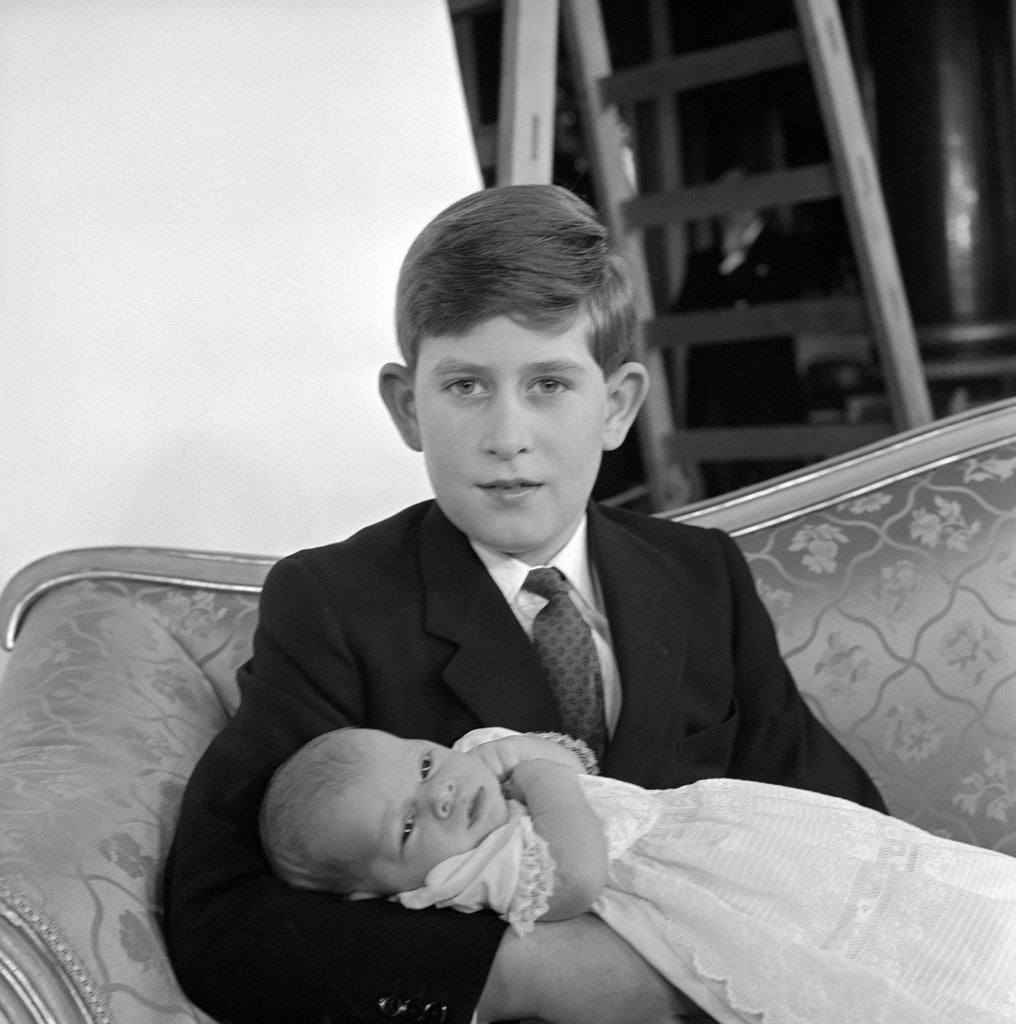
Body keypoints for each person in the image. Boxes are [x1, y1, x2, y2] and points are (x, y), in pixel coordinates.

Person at [162, 183, 886, 1024]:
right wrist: (532, 973)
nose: (508, 435)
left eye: (549, 384)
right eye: (467, 387)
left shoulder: (701, 575)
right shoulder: (334, 604)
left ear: (616, 405)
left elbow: (843, 822)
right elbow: (220, 918)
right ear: (407, 407)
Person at [262, 726, 1016, 1024]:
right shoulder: (465, 876)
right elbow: (578, 878)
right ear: (385, 891)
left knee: (915, 892)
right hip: (702, 906)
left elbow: (575, 756)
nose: (440, 791)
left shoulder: (477, 764)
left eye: (424, 762)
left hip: (734, 842)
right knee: (843, 965)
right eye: (405, 826)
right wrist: (534, 774)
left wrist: (526, 756)